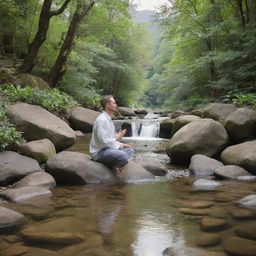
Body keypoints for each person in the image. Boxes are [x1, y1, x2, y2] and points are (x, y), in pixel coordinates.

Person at [90, 95, 134, 177]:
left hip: (108, 149)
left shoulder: (109, 120)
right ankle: (115, 166)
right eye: (114, 103)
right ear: (107, 105)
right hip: (100, 152)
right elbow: (103, 141)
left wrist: (122, 145)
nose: (116, 105)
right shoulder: (101, 120)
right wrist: (117, 138)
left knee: (130, 149)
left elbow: (110, 140)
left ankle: (114, 162)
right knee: (123, 155)